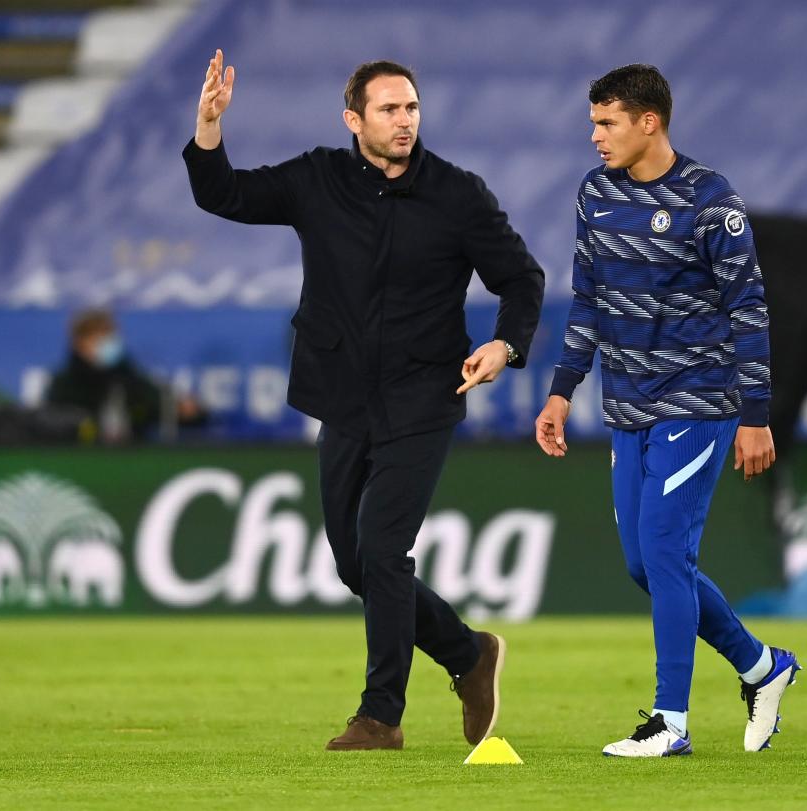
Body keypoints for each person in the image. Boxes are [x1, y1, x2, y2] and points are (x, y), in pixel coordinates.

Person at [184, 52, 544, 751]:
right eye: (388, 109)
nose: (404, 120)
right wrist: (208, 127)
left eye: (410, 107)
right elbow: (222, 194)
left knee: (382, 548)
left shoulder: (458, 194)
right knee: (355, 564)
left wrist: (506, 344)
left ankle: (380, 714)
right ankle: (469, 652)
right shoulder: (317, 178)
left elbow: (521, 279)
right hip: (343, 396)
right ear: (354, 119)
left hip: (423, 395)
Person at [534, 65, 799, 757]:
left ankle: (670, 721)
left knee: (663, 549)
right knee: (644, 565)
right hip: (626, 405)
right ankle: (763, 666)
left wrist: (756, 413)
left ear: (649, 122)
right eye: (594, 123)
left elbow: (750, 310)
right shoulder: (595, 195)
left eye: (607, 123)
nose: (595, 137)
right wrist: (563, 389)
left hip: (698, 399)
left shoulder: (712, 202)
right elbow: (586, 299)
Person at [46, 309, 201, 442]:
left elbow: (173, 411)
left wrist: (184, 410)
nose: (106, 344)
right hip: (80, 461)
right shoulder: (62, 386)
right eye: (98, 338)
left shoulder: (130, 380)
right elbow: (51, 429)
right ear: (79, 343)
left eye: (109, 337)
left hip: (131, 462)